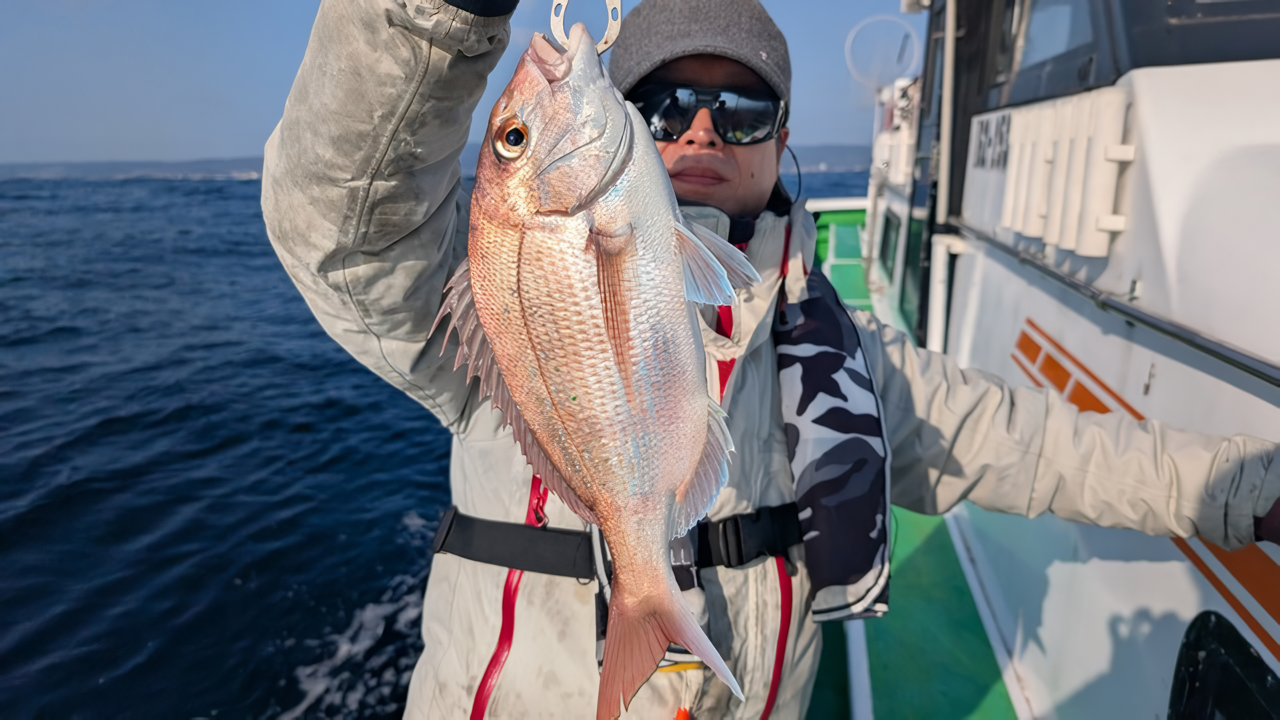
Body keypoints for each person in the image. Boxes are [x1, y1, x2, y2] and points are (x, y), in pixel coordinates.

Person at [260, 0, 1280, 717]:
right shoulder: (486, 294)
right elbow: (343, 231)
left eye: (740, 109)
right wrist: (437, 17)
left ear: (781, 133)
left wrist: (1247, 491)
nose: (702, 126)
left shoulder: (834, 345)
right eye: (663, 106)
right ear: (614, 118)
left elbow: (1034, 446)